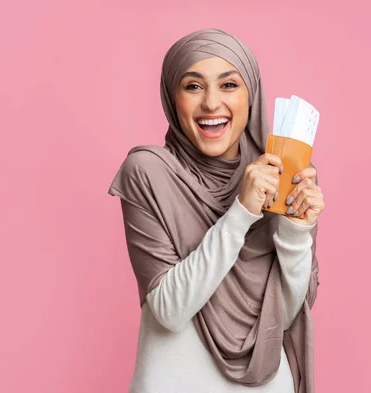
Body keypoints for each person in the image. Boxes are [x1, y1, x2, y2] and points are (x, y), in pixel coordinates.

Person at [108, 28, 325, 393]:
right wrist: (241, 211)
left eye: (228, 85)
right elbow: (169, 310)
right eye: (193, 86)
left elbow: (283, 317)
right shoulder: (148, 172)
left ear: (251, 94)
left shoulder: (277, 174)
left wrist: (295, 230)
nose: (211, 103)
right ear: (171, 98)